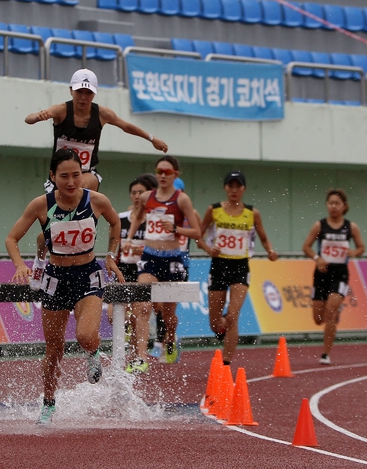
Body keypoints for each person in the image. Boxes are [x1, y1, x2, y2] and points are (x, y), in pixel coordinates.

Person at [5, 149, 124, 425]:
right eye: (64, 176)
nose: (71, 182)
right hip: (55, 279)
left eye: (76, 175)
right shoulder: (41, 205)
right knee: (54, 350)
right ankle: (48, 404)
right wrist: (20, 265)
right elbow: (11, 238)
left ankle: (92, 353)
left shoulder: (97, 201)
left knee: (85, 334)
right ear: (52, 177)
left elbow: (116, 222)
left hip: (89, 275)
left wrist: (111, 256)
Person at [24, 68, 169, 290]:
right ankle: (39, 261)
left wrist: (151, 138)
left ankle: (83, 217)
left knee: (83, 181)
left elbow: (126, 126)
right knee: (48, 233)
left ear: (94, 94)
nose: (83, 97)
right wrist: (38, 116)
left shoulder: (102, 114)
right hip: (58, 181)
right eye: (80, 92)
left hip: (88, 173)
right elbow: (29, 119)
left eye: (88, 93)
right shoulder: (62, 110)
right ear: (71, 90)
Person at [124, 156, 201, 373]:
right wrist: (130, 238)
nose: (163, 175)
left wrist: (176, 229)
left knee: (167, 314)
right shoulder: (148, 196)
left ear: (176, 174)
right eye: (160, 171)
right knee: (144, 305)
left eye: (168, 172)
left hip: (173, 259)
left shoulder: (182, 200)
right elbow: (137, 218)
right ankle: (140, 357)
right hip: (149, 257)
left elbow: (196, 232)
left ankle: (169, 338)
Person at [198, 171, 278, 366]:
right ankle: (222, 326)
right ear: (225, 188)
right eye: (230, 186)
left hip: (240, 266)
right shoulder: (214, 210)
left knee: (233, 316)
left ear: (244, 189)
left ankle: (226, 362)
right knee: (216, 324)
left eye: (238, 186)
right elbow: (198, 237)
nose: (234, 190)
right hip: (218, 265)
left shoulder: (252, 213)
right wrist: (210, 249)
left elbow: (263, 237)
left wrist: (270, 250)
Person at [302, 188, 364, 365]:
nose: (333, 206)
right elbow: (306, 247)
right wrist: (317, 258)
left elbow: (361, 247)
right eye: (330, 203)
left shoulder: (351, 227)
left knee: (330, 312)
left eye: (337, 203)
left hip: (340, 274)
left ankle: (325, 354)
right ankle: (334, 312)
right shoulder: (319, 226)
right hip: (322, 273)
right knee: (318, 319)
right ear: (327, 205)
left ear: (344, 206)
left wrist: (354, 252)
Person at [106, 175, 158, 359]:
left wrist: (138, 247)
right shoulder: (121, 218)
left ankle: (138, 356)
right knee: (113, 315)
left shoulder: (154, 220)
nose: (136, 196)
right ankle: (132, 348)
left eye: (141, 192)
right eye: (133, 192)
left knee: (140, 314)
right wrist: (111, 257)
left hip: (145, 270)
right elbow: (113, 242)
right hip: (124, 269)